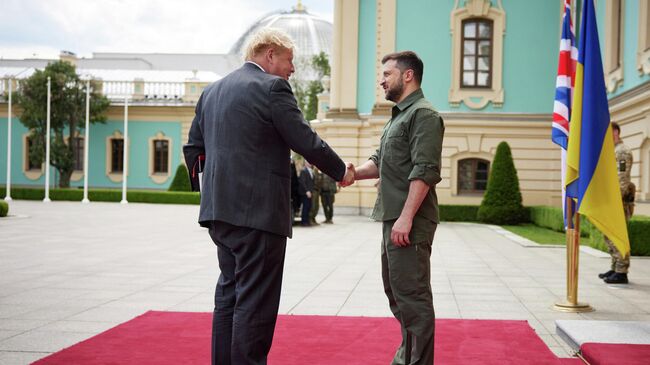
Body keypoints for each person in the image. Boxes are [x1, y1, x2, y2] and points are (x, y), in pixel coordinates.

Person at [183, 28, 355, 365]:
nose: (292, 69)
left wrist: (213, 193)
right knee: (255, 303)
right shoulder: (272, 88)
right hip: (258, 216)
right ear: (270, 54)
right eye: (290, 61)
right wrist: (341, 172)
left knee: (228, 296)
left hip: (219, 214)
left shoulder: (212, 91)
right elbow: (305, 140)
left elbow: (193, 149)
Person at [599, 122, 634, 284]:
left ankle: (621, 271)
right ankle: (615, 267)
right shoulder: (613, 151)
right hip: (611, 199)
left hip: (618, 201)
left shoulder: (622, 152)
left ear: (615, 132)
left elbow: (622, 179)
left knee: (617, 234)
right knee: (609, 235)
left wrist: (615, 201)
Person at [299, 161, 315, 227]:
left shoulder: (311, 171)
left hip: (310, 192)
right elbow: (302, 182)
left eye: (310, 162)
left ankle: (307, 221)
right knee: (305, 207)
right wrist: (307, 191)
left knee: (309, 207)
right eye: (308, 162)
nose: (310, 163)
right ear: (305, 163)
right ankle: (304, 222)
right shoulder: (303, 171)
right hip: (305, 192)